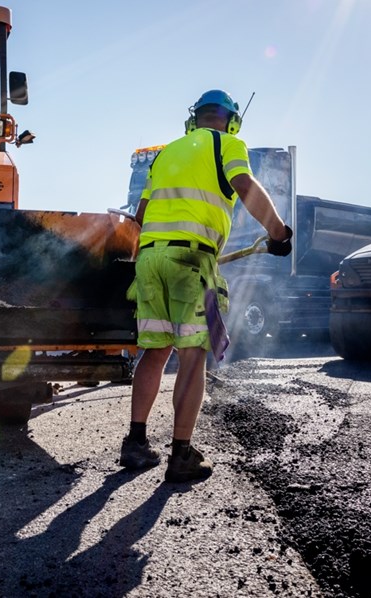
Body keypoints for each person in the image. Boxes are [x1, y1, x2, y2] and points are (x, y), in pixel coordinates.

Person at [120, 89, 292, 483]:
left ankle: (136, 443)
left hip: (149, 259)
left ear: (192, 119)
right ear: (231, 120)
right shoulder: (229, 143)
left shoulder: (165, 154)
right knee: (194, 354)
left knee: (155, 350)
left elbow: (142, 213)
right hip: (191, 260)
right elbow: (245, 186)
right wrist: (279, 233)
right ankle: (181, 454)